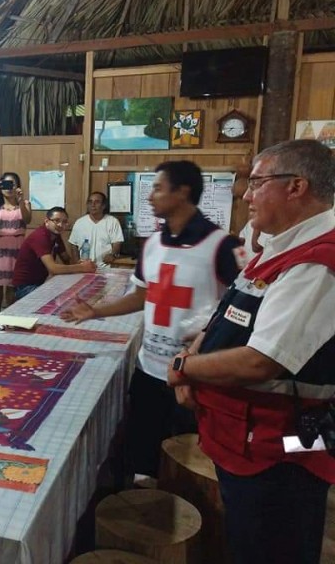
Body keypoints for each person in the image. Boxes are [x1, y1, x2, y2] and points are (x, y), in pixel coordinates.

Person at [167, 140, 335, 564]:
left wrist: (186, 368)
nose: (245, 195)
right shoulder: (279, 248)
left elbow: (263, 360)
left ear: (296, 186)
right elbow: (227, 315)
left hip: (279, 449)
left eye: (257, 183)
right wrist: (194, 362)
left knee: (273, 544)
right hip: (243, 438)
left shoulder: (318, 262)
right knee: (245, 539)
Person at [63, 160, 240, 478]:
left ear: (182, 192)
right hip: (149, 370)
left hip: (193, 375)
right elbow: (143, 296)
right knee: (141, 455)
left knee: (189, 461)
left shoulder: (222, 246)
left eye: (158, 188)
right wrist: (97, 311)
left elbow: (240, 311)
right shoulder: (152, 245)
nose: (150, 197)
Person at [11, 206, 96, 300]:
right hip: (25, 287)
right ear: (47, 221)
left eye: (64, 222)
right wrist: (82, 267)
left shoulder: (55, 236)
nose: (60, 225)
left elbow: (66, 259)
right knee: (61, 300)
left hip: (40, 282)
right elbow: (53, 269)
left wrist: (81, 264)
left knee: (75, 293)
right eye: (56, 220)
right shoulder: (40, 236)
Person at [0, 172, 32, 313]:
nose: (9, 188)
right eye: (5, 184)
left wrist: (20, 201)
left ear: (18, 187)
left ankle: (10, 328)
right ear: (0, 186)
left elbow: (27, 220)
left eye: (12, 184)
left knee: (12, 297)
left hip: (17, 252)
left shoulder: (25, 204)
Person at [68, 191, 124, 267]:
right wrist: (77, 263)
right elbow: (73, 244)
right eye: (90, 202)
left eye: (97, 202)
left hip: (106, 266)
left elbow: (117, 242)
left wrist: (112, 254)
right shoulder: (80, 222)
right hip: (84, 266)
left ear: (103, 206)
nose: (93, 205)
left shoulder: (112, 221)